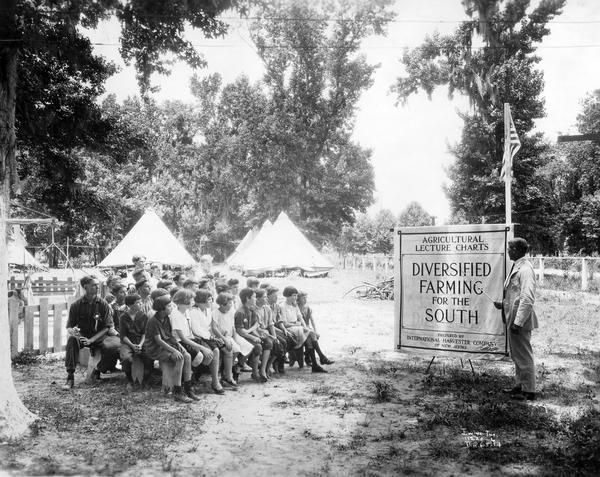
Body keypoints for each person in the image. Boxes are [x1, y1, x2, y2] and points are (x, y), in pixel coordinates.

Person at [494, 238, 538, 401]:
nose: (508, 251)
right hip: (513, 318)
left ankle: (529, 390)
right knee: (517, 355)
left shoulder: (525, 269)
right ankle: (520, 386)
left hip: (519, 321)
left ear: (519, 250)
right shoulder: (517, 266)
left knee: (523, 355)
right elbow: (515, 295)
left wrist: (518, 322)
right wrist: (503, 304)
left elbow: (527, 298)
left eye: (510, 248)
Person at [62, 276, 120, 390]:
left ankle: (98, 370)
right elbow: (69, 326)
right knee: (72, 340)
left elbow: (107, 327)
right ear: (85, 287)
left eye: (96, 284)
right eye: (93, 285)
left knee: (115, 345)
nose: (97, 287)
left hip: (100, 336)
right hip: (83, 336)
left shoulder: (103, 304)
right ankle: (70, 377)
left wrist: (92, 340)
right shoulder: (76, 305)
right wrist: (73, 331)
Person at [144, 295, 197, 403]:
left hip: (165, 345)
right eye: (169, 306)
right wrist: (174, 350)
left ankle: (188, 389)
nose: (171, 308)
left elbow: (170, 336)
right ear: (161, 308)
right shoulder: (153, 321)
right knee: (179, 358)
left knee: (187, 356)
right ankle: (177, 392)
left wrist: (180, 347)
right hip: (155, 348)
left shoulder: (166, 318)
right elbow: (158, 341)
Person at [170, 289, 225, 394]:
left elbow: (191, 332)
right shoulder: (176, 315)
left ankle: (200, 379)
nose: (193, 302)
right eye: (191, 300)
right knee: (199, 356)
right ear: (184, 301)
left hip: (192, 338)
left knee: (213, 352)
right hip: (181, 342)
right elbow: (183, 338)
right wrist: (202, 347)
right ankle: (190, 380)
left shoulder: (186, 312)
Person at [189, 289, 238, 389]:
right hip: (198, 338)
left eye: (211, 299)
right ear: (202, 301)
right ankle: (215, 382)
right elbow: (196, 330)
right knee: (215, 351)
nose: (211, 301)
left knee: (228, 349)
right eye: (209, 299)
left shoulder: (208, 310)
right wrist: (211, 337)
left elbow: (211, 327)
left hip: (209, 337)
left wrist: (217, 337)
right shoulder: (193, 312)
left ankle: (227, 377)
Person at [279, 286, 327, 373]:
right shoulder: (282, 306)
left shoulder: (294, 305)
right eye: (293, 296)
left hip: (297, 327)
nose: (295, 298)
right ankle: (320, 358)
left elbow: (300, 317)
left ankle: (316, 363)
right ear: (288, 296)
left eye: (296, 296)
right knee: (311, 334)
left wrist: (304, 327)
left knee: (310, 336)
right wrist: (297, 324)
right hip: (289, 329)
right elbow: (285, 323)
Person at [234, 288, 271, 382]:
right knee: (255, 345)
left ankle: (257, 372)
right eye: (254, 297)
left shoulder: (251, 310)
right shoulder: (240, 312)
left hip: (247, 334)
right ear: (247, 298)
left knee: (263, 344)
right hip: (239, 336)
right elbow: (240, 331)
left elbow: (256, 325)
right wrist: (252, 337)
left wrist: (256, 335)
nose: (255, 299)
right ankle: (238, 367)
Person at [119, 294, 153, 390]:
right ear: (130, 305)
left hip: (141, 342)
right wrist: (132, 346)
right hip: (127, 343)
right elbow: (123, 335)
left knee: (149, 357)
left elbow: (144, 333)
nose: (140, 304)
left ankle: (145, 381)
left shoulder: (143, 316)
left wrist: (140, 345)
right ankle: (130, 380)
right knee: (126, 358)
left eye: (140, 302)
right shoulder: (123, 317)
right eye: (138, 302)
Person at [297, 291, 334, 367]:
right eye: (303, 298)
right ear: (299, 299)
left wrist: (315, 330)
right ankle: (320, 357)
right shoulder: (296, 308)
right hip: (300, 328)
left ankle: (312, 359)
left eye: (306, 298)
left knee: (312, 337)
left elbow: (312, 320)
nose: (305, 300)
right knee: (310, 338)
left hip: (307, 328)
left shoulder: (307, 308)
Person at [255, 289, 285, 375]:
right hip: (258, 332)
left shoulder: (267, 308)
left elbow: (271, 324)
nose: (266, 299)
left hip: (266, 332)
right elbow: (256, 327)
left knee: (279, 343)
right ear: (258, 299)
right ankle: (263, 369)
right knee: (269, 343)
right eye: (264, 297)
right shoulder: (254, 310)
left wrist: (275, 337)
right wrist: (269, 336)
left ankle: (268, 366)